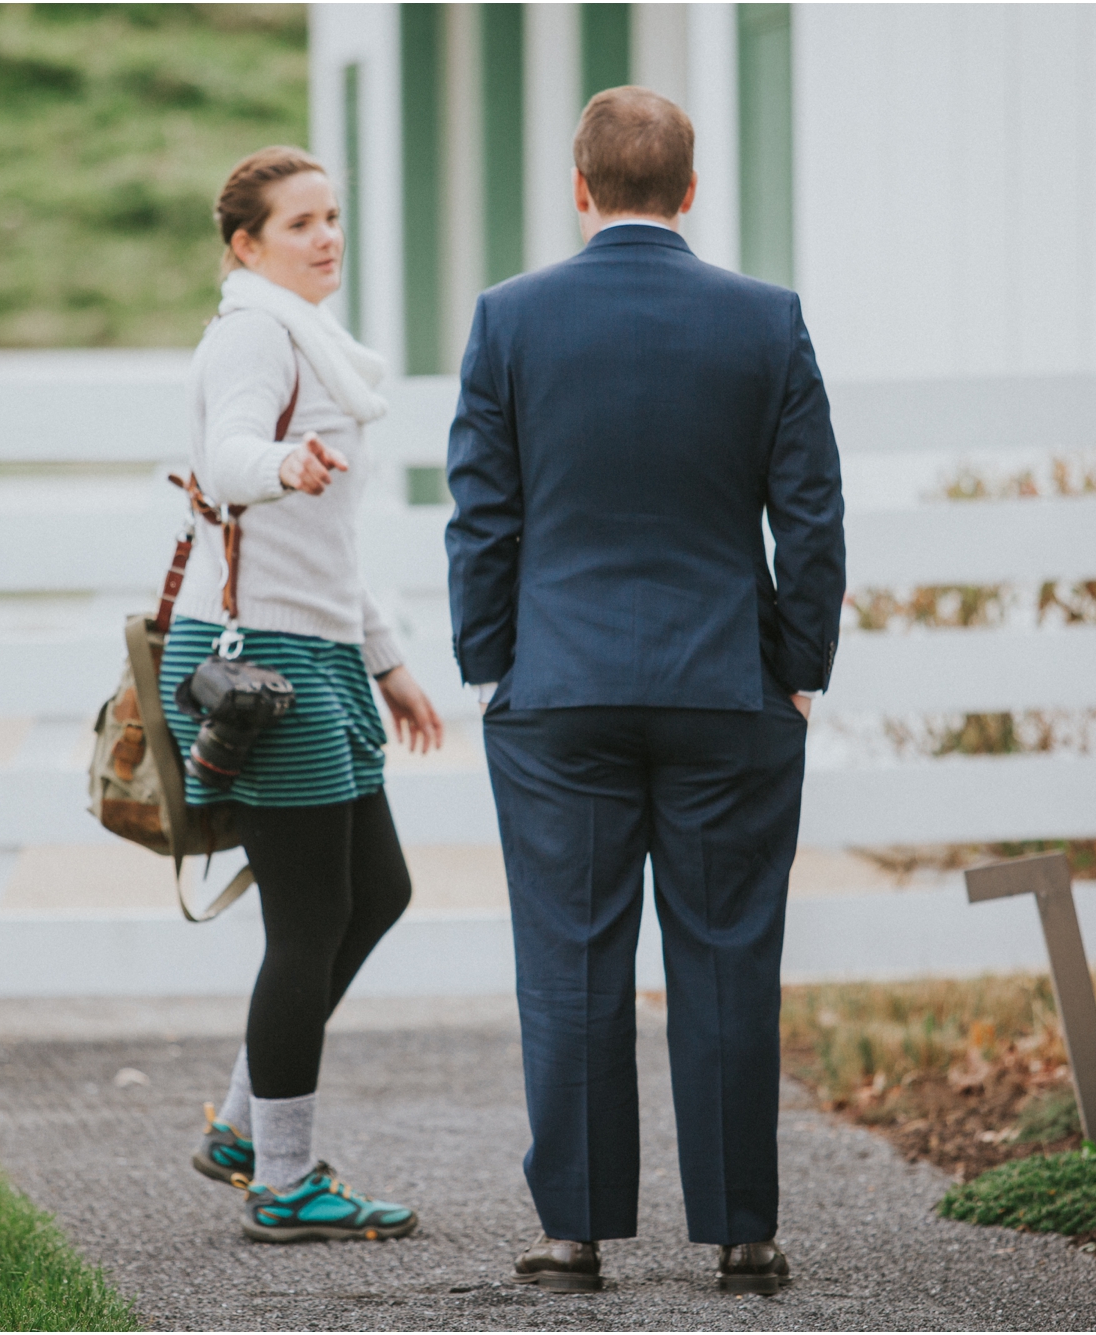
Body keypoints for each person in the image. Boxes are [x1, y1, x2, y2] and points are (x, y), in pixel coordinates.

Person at [445, 88, 846, 1293]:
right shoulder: (763, 321)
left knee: (568, 955)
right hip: (725, 685)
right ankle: (743, 1235)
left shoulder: (508, 321)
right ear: (686, 190)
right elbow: (811, 516)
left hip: (558, 692)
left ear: (579, 188)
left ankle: (571, 1234)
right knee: (727, 955)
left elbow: (482, 517)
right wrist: (795, 670)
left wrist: (492, 662)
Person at [168, 145, 443, 1244]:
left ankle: (242, 1128)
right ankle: (281, 1183)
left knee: (374, 892)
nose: (326, 237)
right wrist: (279, 465)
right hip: (262, 667)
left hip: (318, 649)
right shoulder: (253, 334)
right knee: (309, 918)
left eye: (332, 217)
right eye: (299, 224)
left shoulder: (314, 343)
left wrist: (386, 660)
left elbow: (329, 550)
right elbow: (229, 455)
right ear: (245, 246)